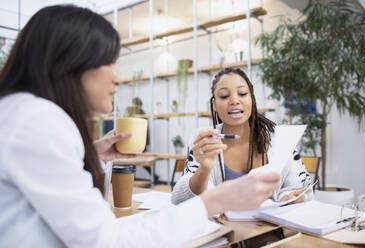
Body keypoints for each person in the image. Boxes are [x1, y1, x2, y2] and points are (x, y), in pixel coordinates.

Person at [0, 5, 281, 247]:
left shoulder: (26, 114)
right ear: (68, 63)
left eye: (243, 94)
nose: (118, 78)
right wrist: (214, 200)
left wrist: (93, 155)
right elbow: (104, 240)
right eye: (109, 63)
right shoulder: (38, 121)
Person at [172, 68, 313, 205]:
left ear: (251, 98)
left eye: (242, 93)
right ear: (214, 104)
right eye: (224, 96)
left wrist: (287, 198)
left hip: (273, 227)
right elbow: (180, 200)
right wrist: (204, 169)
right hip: (224, 228)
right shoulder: (204, 139)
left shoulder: (279, 139)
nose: (234, 100)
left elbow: (303, 188)